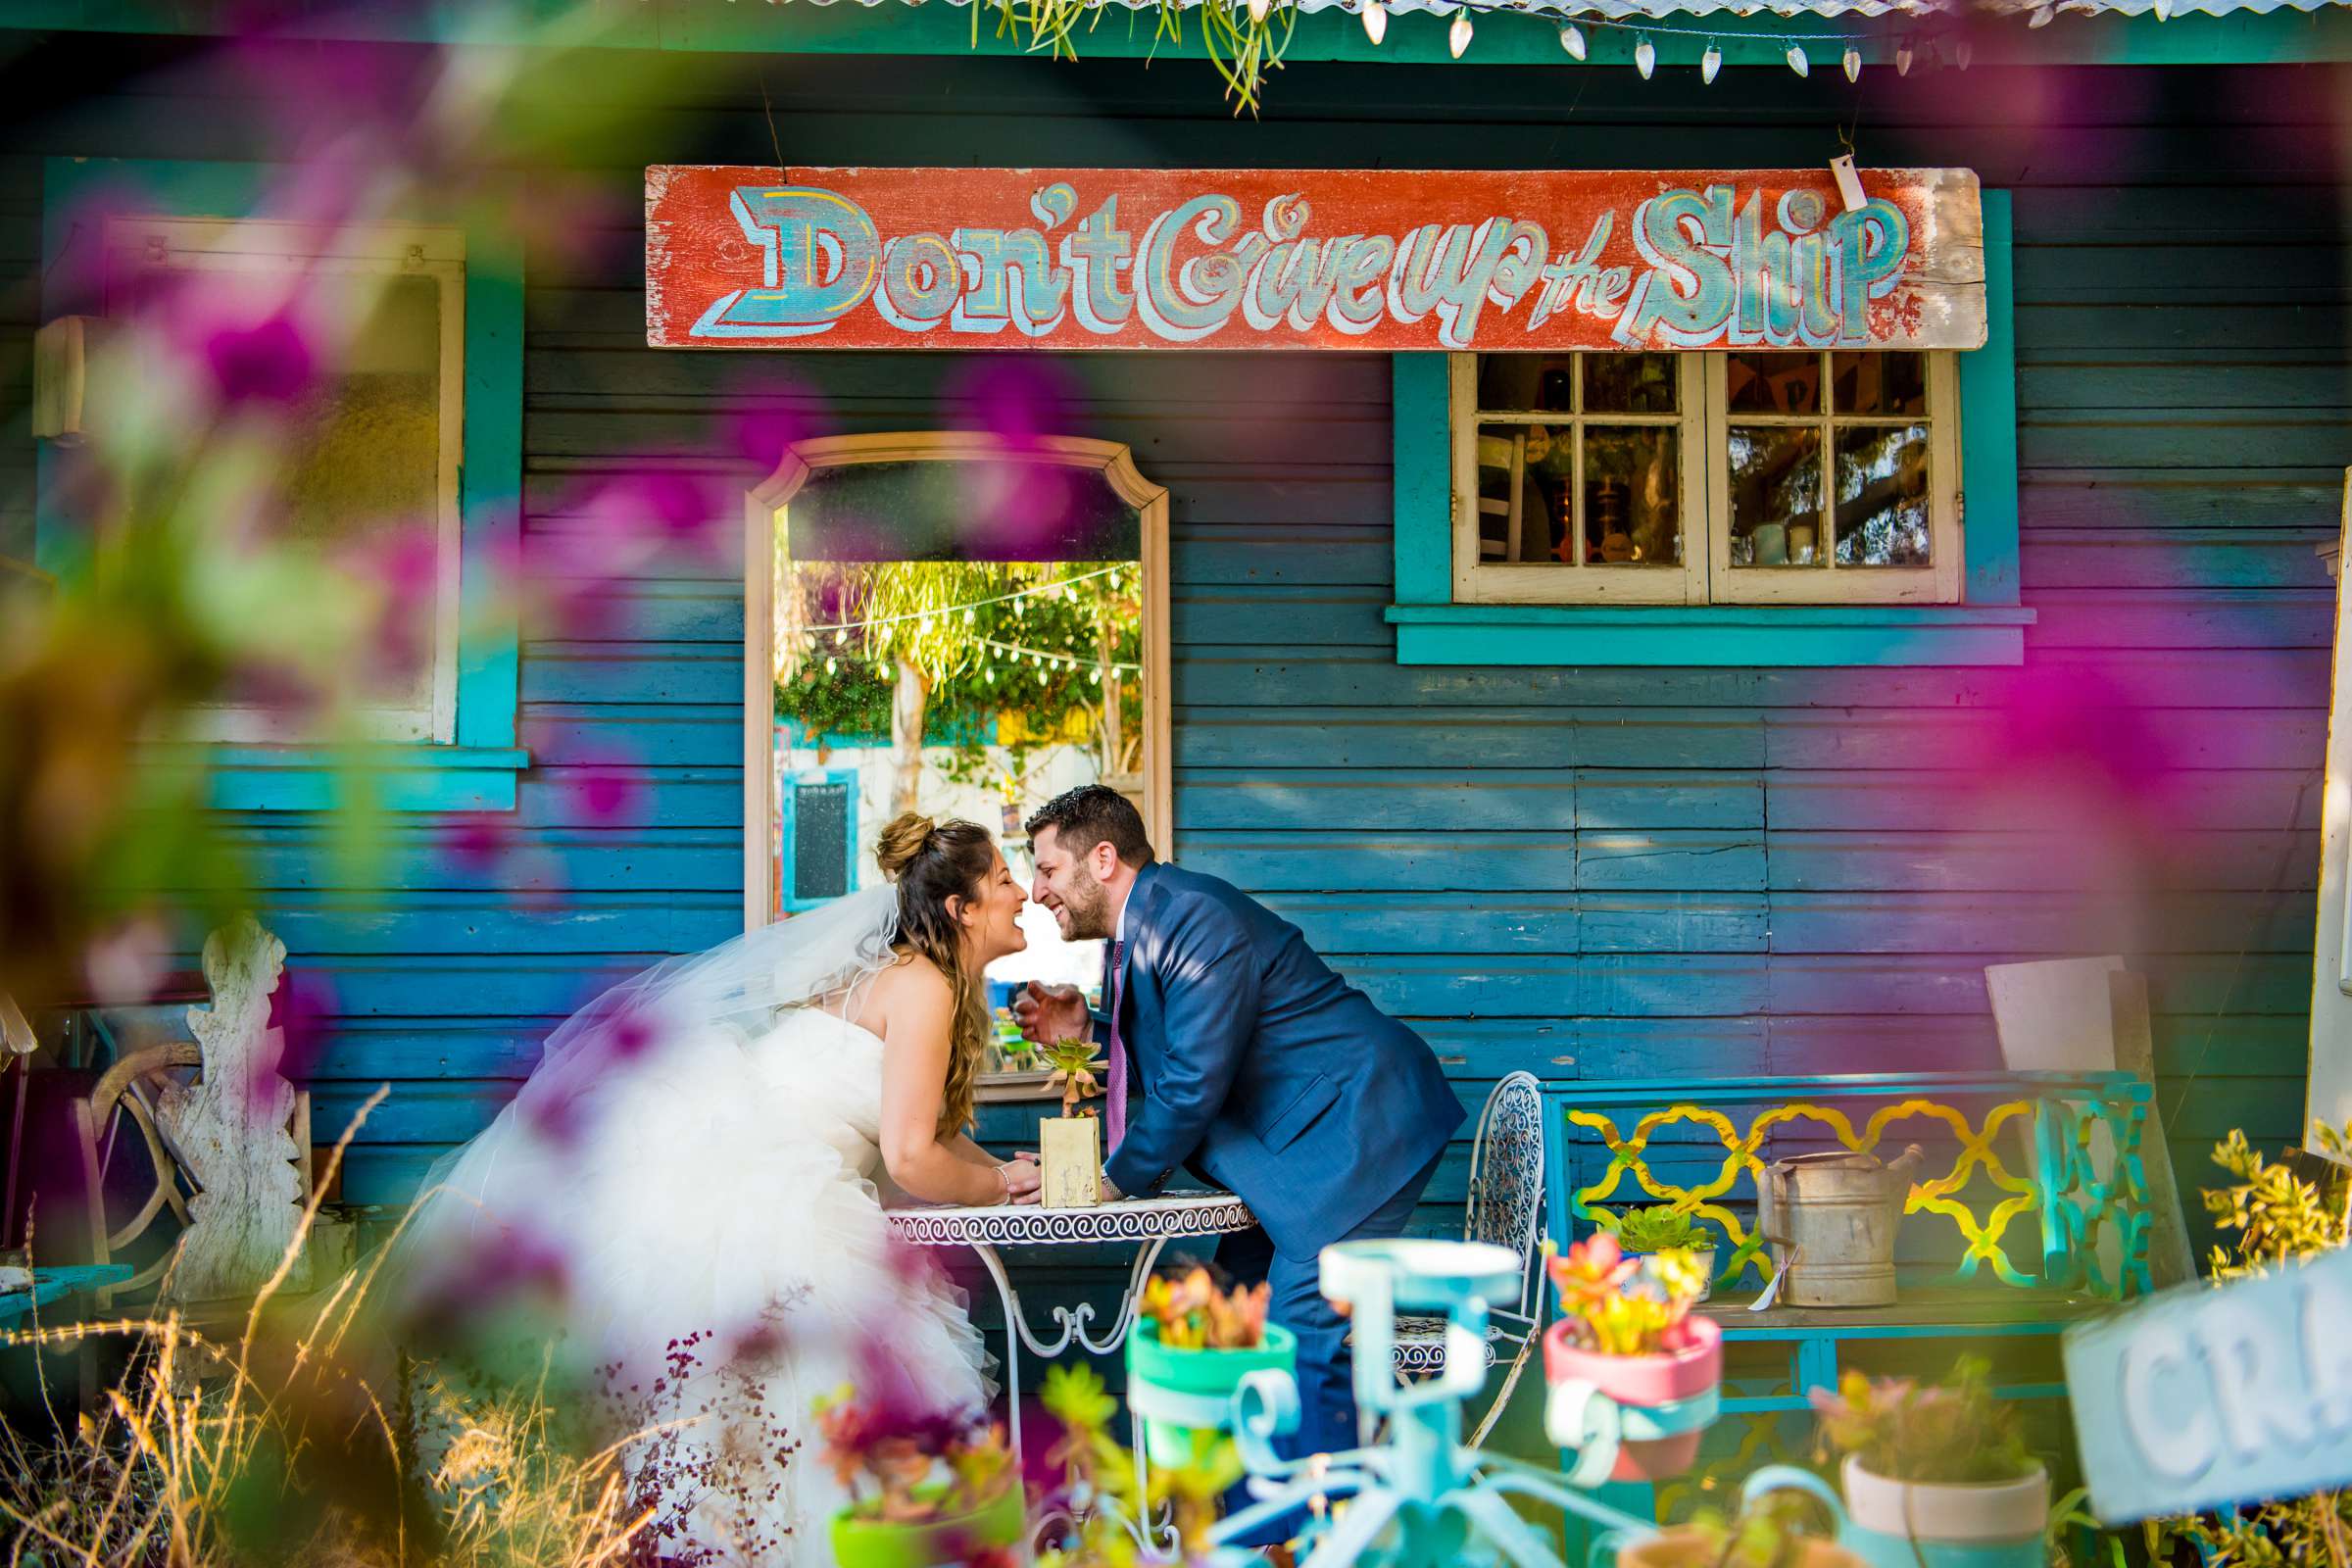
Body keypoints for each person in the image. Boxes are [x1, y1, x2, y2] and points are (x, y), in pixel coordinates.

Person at [390, 814, 1037, 1566]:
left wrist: (1010, 1170)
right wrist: (995, 1185)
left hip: (749, 1164)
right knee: (832, 1397)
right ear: (960, 909)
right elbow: (912, 1157)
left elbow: (912, 1119)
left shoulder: (900, 976)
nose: (1020, 892)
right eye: (1002, 879)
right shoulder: (927, 986)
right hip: (778, 1195)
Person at [1014, 784, 1464, 1465]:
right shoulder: (1151, 925)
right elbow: (1191, 1050)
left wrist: (1113, 1180)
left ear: (1102, 858)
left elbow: (1194, 1081)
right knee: (1235, 1320)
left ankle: (1295, 1541)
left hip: (1358, 1131)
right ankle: (1286, 1516)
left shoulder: (1191, 916)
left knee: (1290, 1344)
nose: (1037, 889)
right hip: (1302, 1150)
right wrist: (1088, 1030)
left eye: (1047, 869)